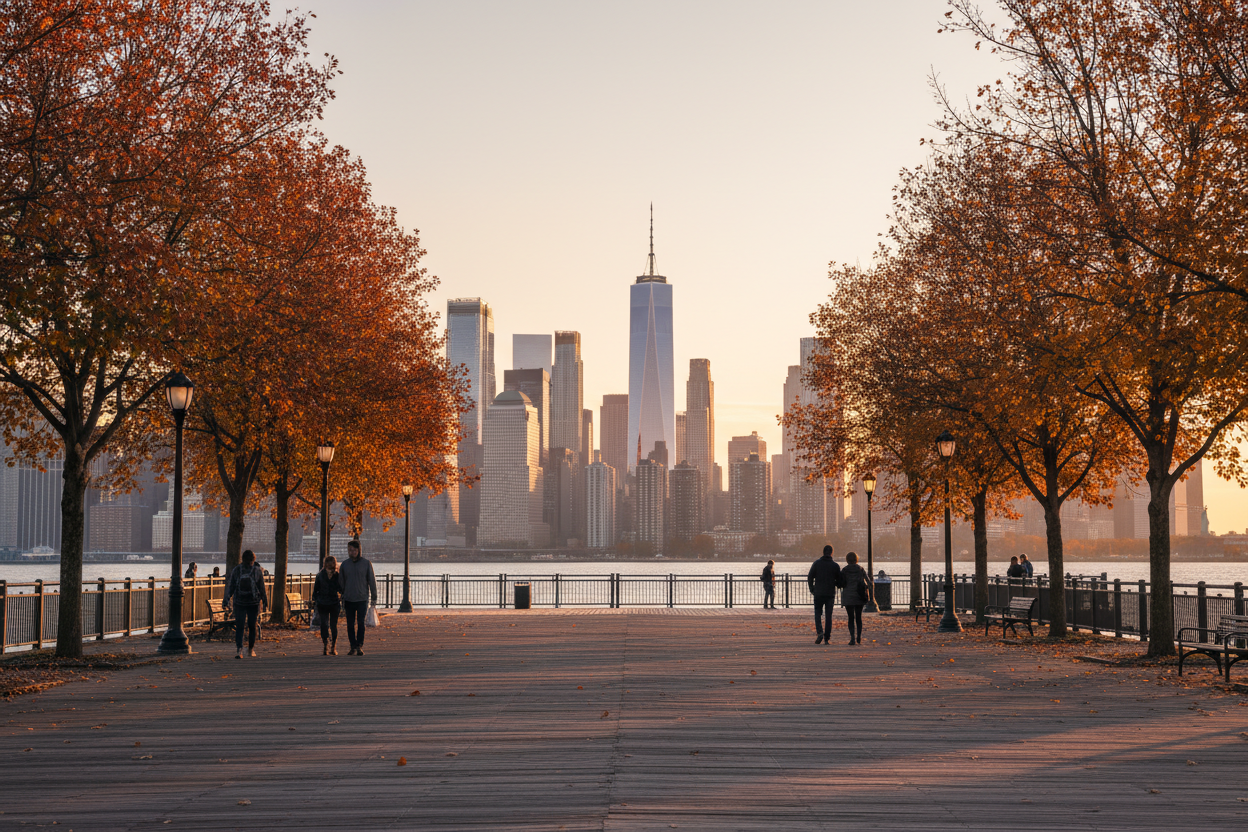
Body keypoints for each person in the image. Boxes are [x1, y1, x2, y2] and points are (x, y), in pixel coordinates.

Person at [224, 549, 267, 659]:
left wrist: (227, 599)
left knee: (240, 626)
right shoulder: (257, 571)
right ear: (253, 559)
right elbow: (262, 588)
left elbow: (231, 586)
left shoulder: (237, 570)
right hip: (253, 603)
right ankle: (251, 649)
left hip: (239, 602)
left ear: (242, 559)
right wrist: (265, 601)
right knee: (252, 626)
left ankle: (239, 649)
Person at [340, 540, 377, 656]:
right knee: (350, 624)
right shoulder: (344, 565)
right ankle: (352, 646)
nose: (352, 552)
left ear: (359, 550)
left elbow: (372, 580)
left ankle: (359, 645)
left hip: (362, 598)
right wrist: (342, 594)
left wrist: (374, 597)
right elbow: (341, 582)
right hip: (349, 598)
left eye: (354, 550)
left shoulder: (366, 563)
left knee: (361, 623)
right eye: (350, 550)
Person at [807, 545, 841, 645]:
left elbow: (810, 577)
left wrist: (812, 588)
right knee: (828, 616)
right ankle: (827, 638)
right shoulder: (835, 566)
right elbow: (839, 581)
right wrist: (836, 584)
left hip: (818, 592)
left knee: (817, 613)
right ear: (832, 553)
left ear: (823, 552)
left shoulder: (816, 564)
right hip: (830, 593)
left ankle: (820, 632)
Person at [313, 555, 345, 655]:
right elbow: (315, 590)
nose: (330, 566)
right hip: (322, 603)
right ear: (325, 564)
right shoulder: (320, 575)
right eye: (328, 563)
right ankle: (326, 643)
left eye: (332, 563)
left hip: (334, 602)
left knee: (333, 625)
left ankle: (333, 646)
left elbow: (341, 589)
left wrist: (342, 595)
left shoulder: (337, 575)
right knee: (324, 624)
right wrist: (316, 600)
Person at [840, 552, 870, 645]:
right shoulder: (861, 569)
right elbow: (869, 582)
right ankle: (859, 637)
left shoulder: (844, 570)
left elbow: (840, 583)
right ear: (856, 559)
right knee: (858, 617)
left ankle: (852, 638)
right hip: (859, 596)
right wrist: (865, 588)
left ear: (847, 560)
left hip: (848, 596)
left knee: (850, 618)